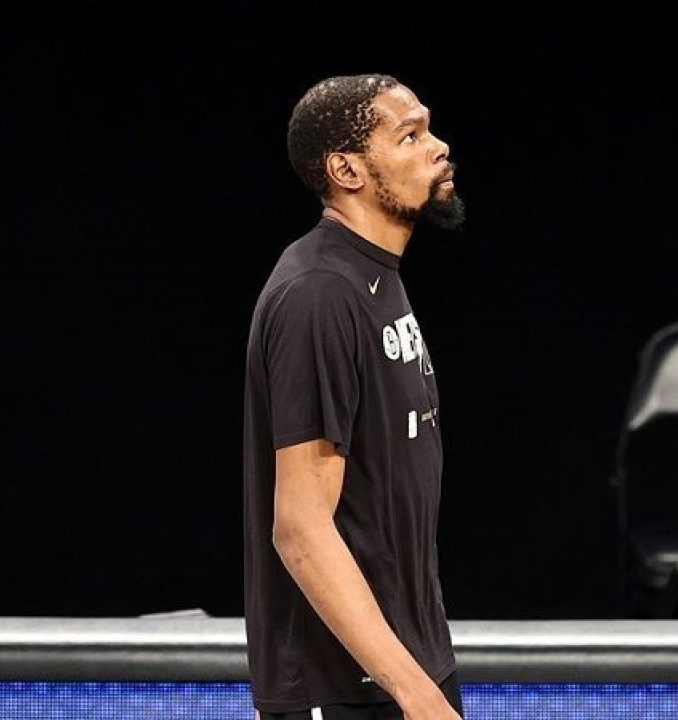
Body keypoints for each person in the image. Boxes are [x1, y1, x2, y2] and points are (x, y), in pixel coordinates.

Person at [242, 73, 467, 720]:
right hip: (342, 690)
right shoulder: (319, 296)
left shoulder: (374, 276)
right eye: (410, 135)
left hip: (403, 666)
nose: (438, 146)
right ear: (347, 169)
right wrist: (416, 694)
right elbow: (302, 529)